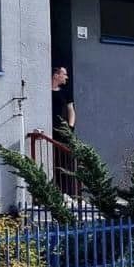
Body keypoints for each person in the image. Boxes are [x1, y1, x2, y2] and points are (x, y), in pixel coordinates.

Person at [51, 66, 77, 196]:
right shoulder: (45, 91)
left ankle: (64, 192)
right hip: (49, 129)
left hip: (62, 130)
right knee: (50, 158)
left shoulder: (65, 92)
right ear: (56, 75)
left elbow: (71, 110)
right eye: (64, 74)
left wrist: (70, 127)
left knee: (63, 160)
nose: (66, 77)